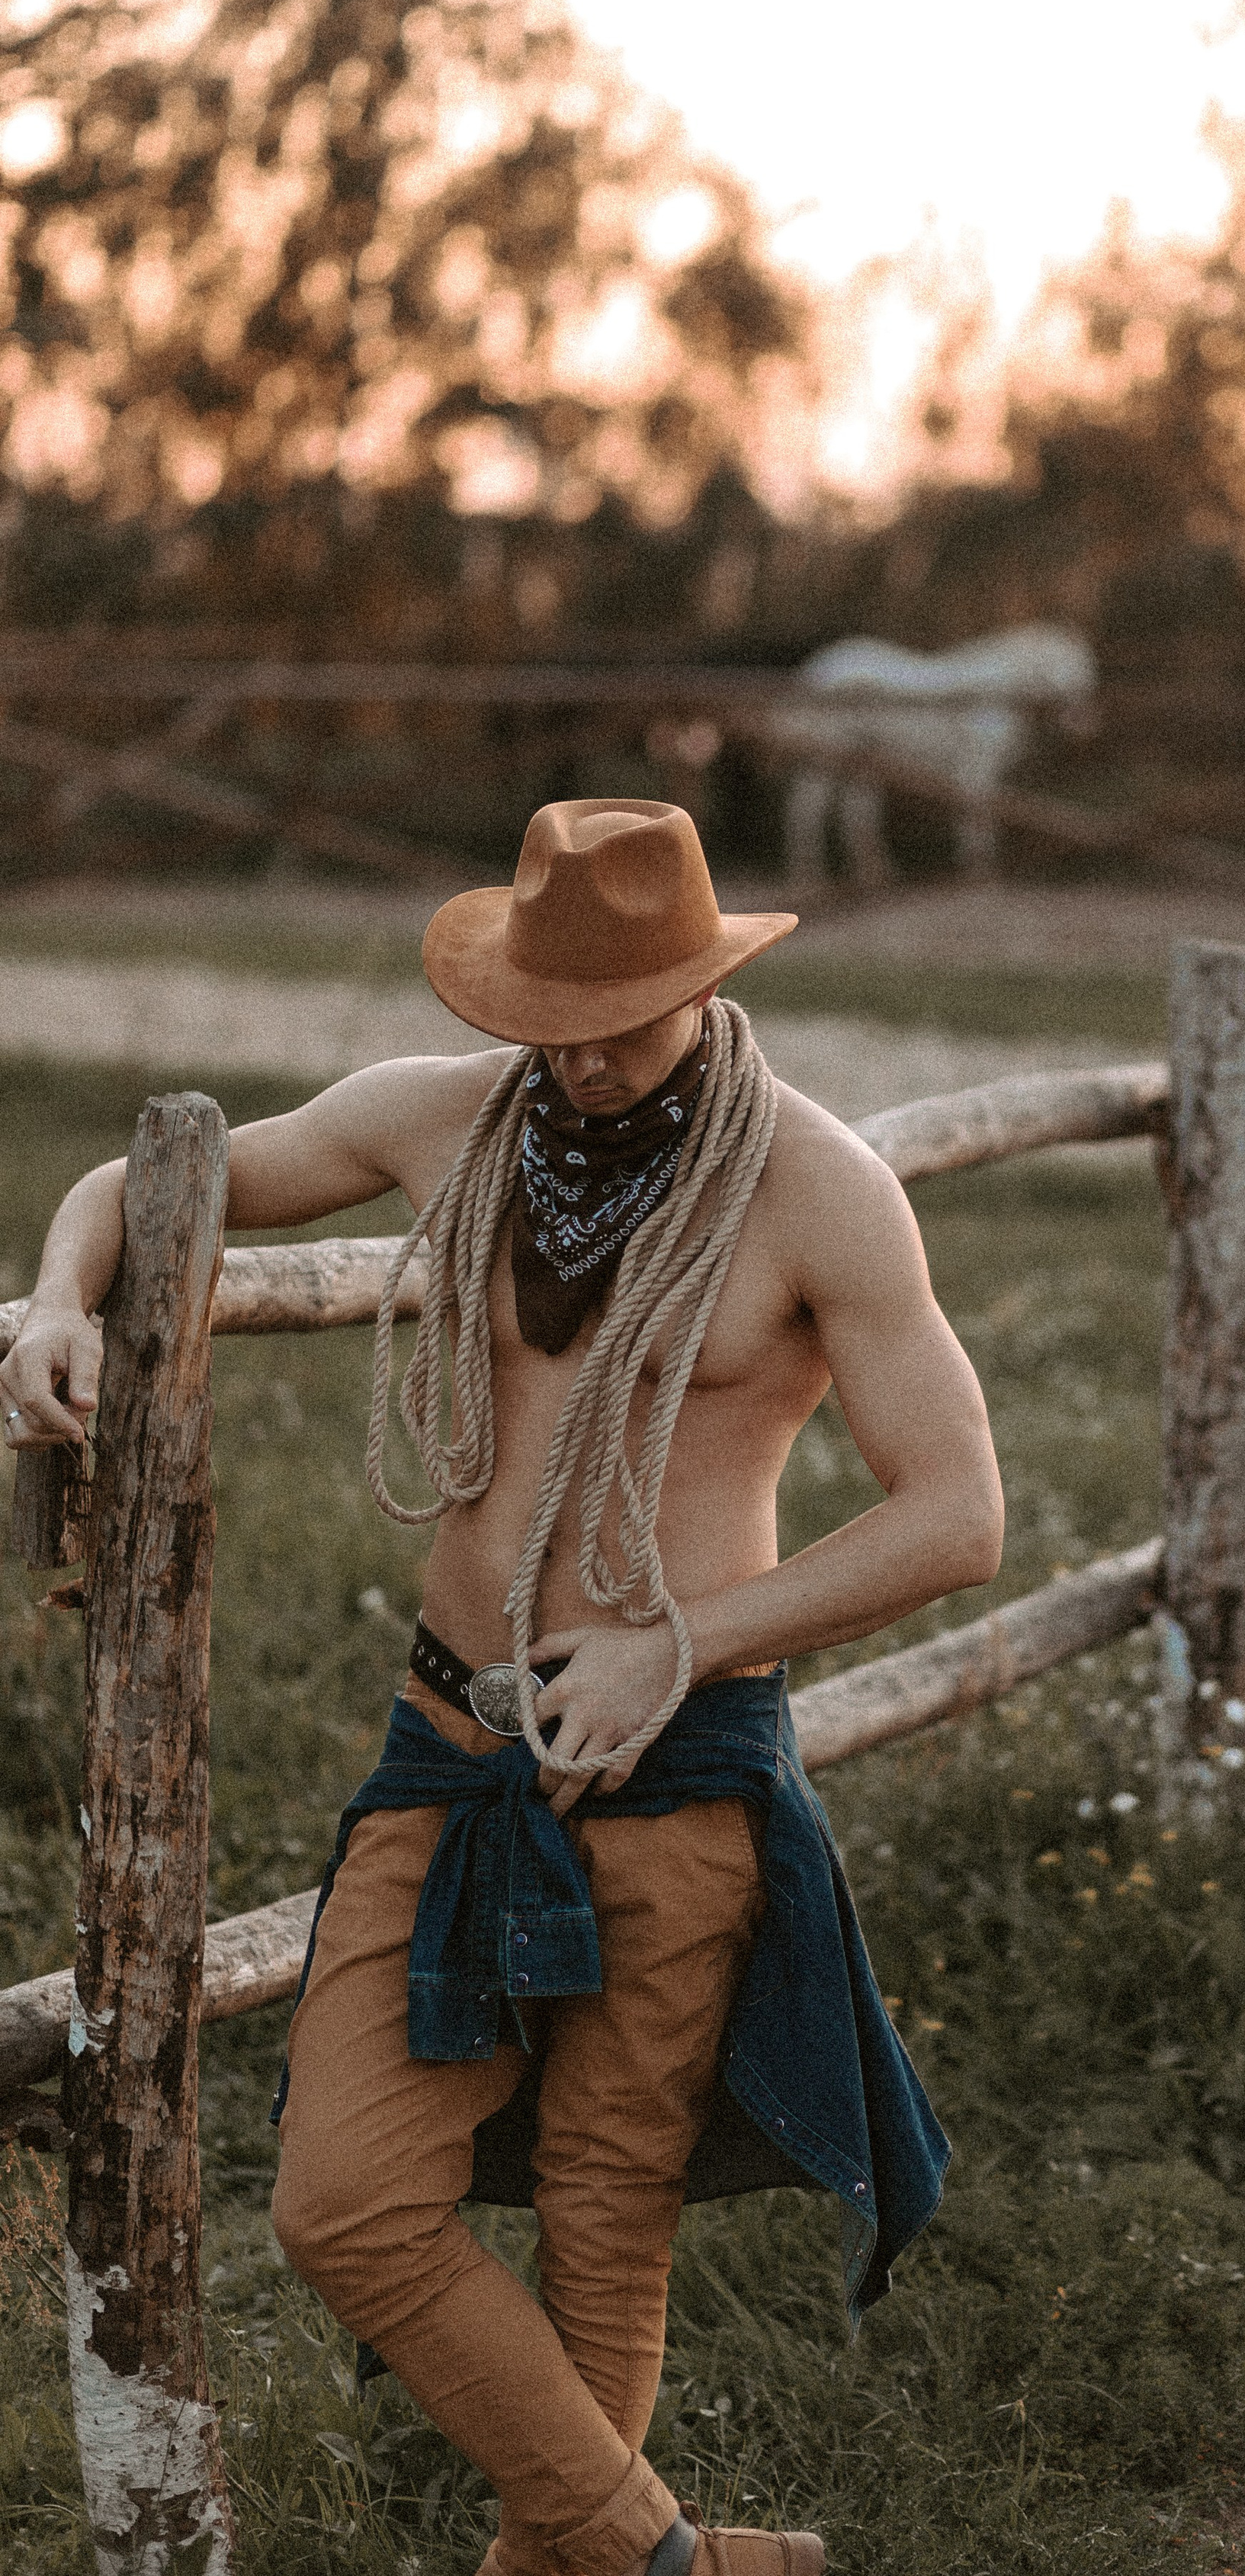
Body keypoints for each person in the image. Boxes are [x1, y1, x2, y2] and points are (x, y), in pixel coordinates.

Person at [1, 800, 1006, 2576]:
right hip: (449, 1742)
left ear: (703, 982)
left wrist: (677, 1636)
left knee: (611, 2218)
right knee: (342, 2204)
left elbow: (959, 1516)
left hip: (679, 1755)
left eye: (631, 1013)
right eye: (558, 1018)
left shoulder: (812, 1185)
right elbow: (160, 1180)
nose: (593, 1056)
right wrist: (61, 1295)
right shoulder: (440, 1118)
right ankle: (681, 2565)